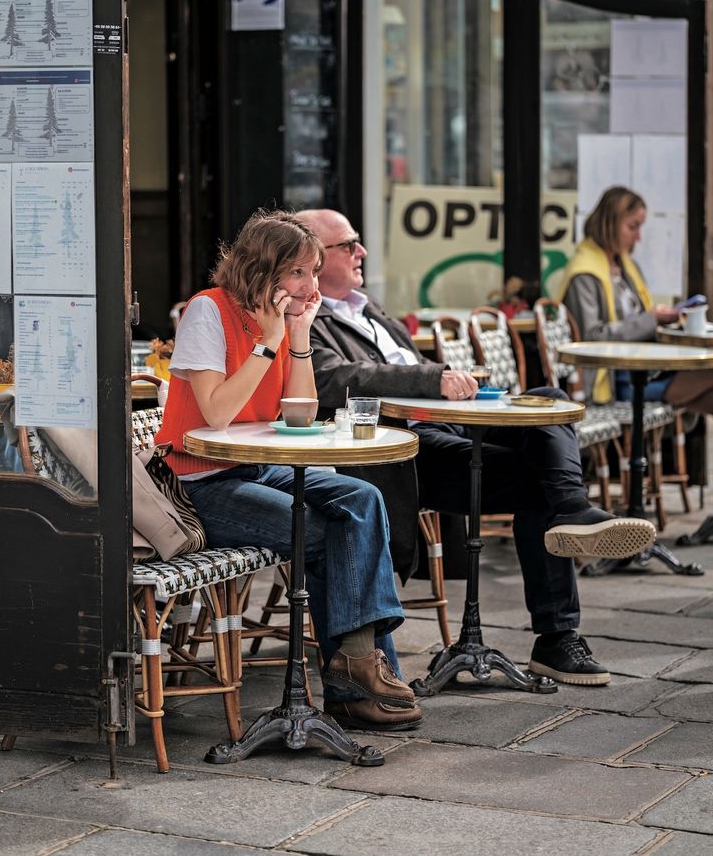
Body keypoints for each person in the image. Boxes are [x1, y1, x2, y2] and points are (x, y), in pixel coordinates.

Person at [295, 209, 656, 686]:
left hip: (453, 426)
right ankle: (556, 635)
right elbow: (335, 378)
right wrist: (435, 379)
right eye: (349, 244)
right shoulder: (305, 318)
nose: (361, 252)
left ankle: (573, 509)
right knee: (538, 482)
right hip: (406, 447)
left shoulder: (366, 307)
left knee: (548, 401)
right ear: (314, 260)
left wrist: (457, 386)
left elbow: (410, 366)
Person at [156, 209, 422, 732]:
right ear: (262, 268)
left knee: (363, 500)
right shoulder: (208, 312)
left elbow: (297, 409)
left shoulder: (277, 323)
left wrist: (297, 337)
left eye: (313, 272)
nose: (309, 284)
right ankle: (358, 677)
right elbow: (216, 412)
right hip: (200, 482)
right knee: (324, 533)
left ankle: (357, 667)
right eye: (298, 272)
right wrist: (269, 341)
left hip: (259, 467)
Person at [559, 186, 713, 412]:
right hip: (616, 380)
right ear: (609, 224)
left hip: (648, 368)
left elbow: (639, 319)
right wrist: (650, 319)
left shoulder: (625, 267)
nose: (638, 237)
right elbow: (591, 337)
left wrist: (664, 318)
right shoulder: (584, 274)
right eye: (633, 227)